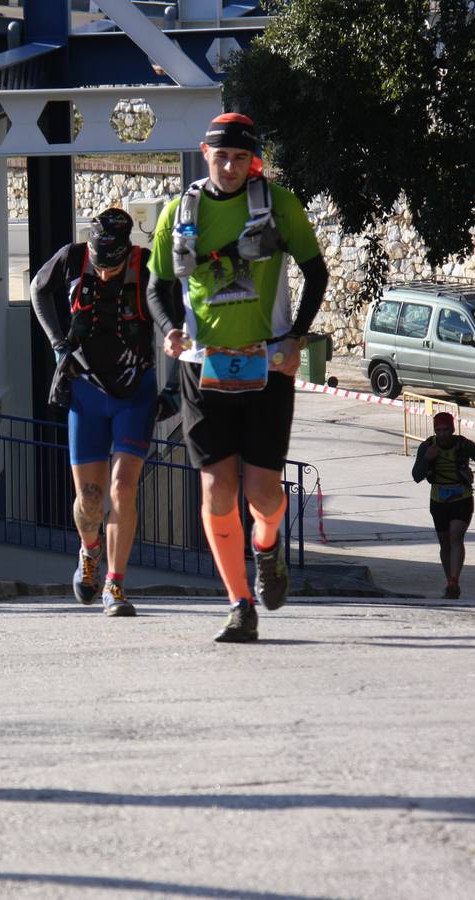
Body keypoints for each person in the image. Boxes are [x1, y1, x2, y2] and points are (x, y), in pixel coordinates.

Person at [146, 112, 329, 642]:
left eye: (239, 158)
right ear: (205, 154)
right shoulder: (179, 213)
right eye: (220, 156)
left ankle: (267, 548)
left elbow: (315, 270)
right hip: (202, 367)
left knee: (262, 495)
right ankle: (238, 603)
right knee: (217, 492)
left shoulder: (277, 204)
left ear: (254, 161)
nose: (229, 166)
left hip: (267, 366)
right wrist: (169, 330)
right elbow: (159, 286)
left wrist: (295, 336)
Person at [30, 208, 164, 617]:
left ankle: (115, 586)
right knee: (89, 499)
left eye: (114, 266)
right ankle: (89, 553)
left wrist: (174, 385)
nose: (105, 274)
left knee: (124, 487)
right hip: (86, 392)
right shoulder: (71, 258)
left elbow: (175, 320)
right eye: (100, 265)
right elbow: (37, 288)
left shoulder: (146, 267)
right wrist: (58, 342)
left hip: (133, 391)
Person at [412, 412, 475, 599]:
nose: (443, 434)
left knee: (456, 537)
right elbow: (416, 476)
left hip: (462, 498)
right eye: (439, 430)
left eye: (447, 430)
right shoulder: (427, 446)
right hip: (438, 500)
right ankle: (451, 582)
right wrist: (426, 459)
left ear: (453, 429)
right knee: (444, 543)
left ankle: (454, 580)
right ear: (434, 431)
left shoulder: (464, 445)